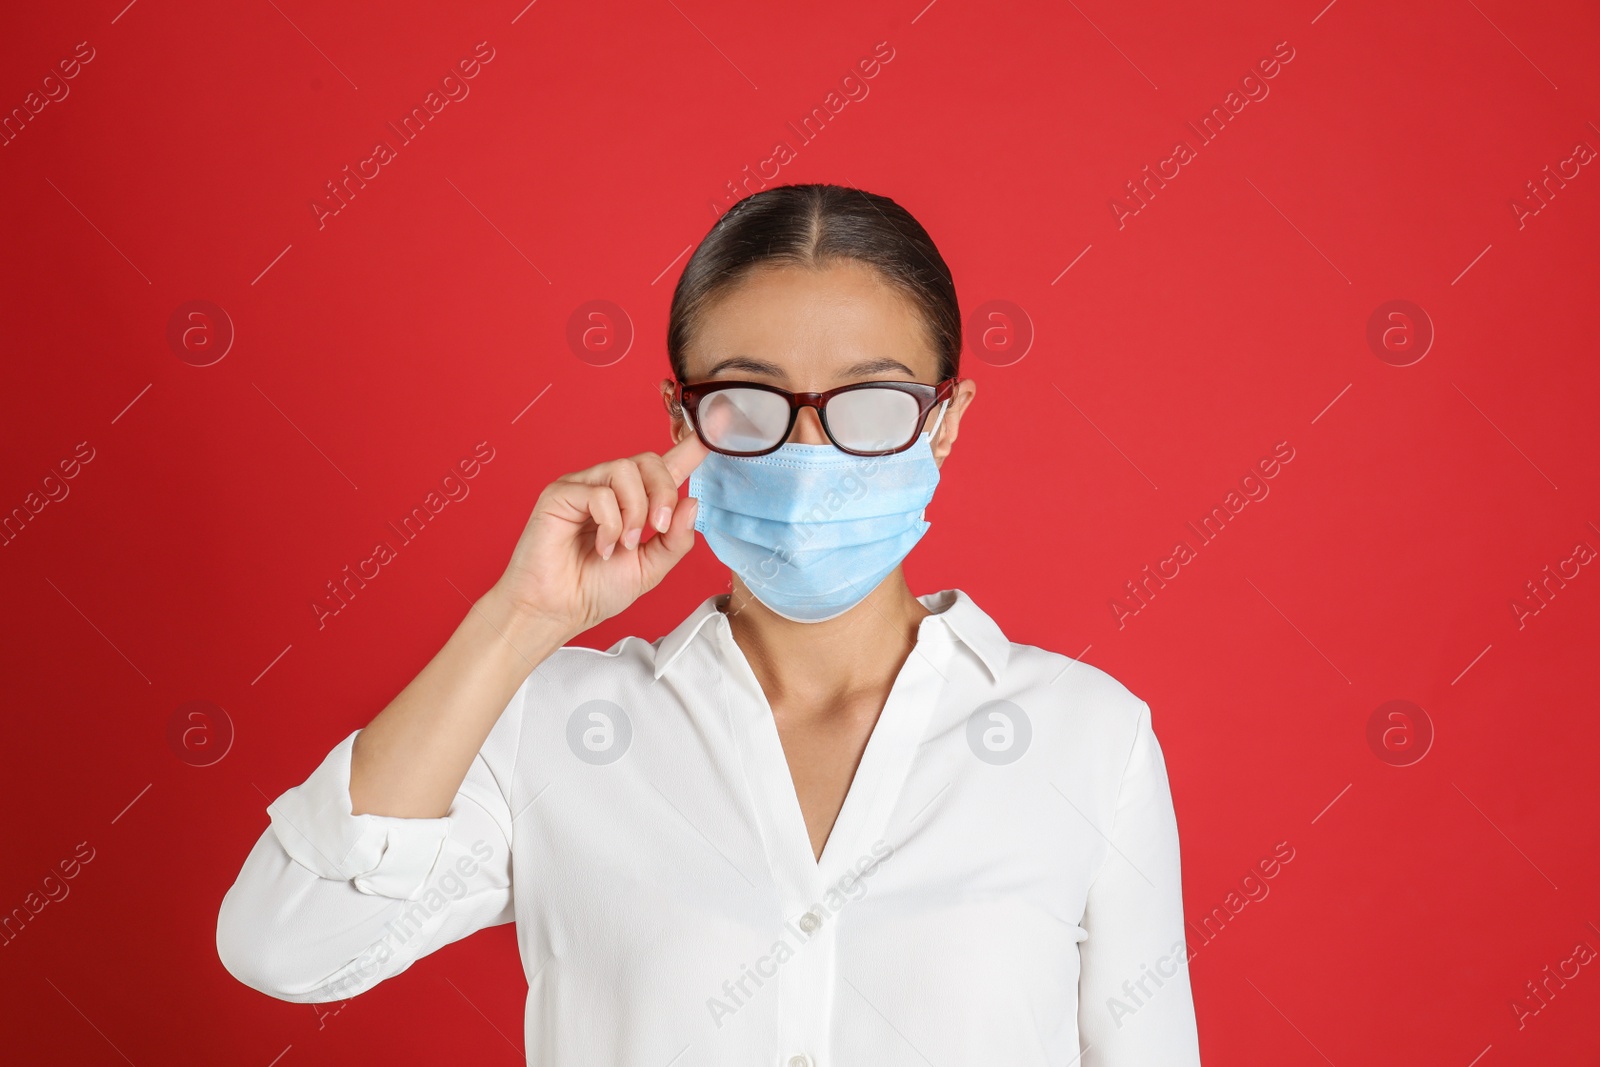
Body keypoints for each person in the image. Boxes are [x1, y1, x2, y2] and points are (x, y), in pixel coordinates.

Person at [216, 182, 1202, 1065]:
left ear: (944, 417)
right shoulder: (552, 726)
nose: (809, 444)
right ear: (682, 418)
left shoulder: (1087, 734)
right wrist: (515, 621)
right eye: (749, 398)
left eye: (869, 400)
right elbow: (287, 945)